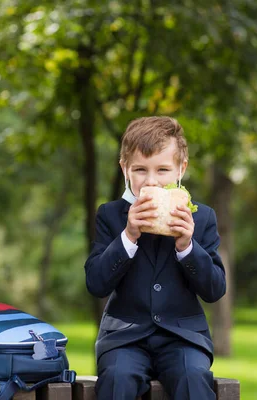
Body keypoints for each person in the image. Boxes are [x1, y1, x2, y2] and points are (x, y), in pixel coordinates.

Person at [84, 116, 226, 399]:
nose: (151, 181)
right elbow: (96, 283)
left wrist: (187, 245)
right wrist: (128, 235)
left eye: (163, 169)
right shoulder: (111, 215)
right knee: (117, 379)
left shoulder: (202, 217)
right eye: (140, 170)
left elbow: (214, 289)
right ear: (125, 169)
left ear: (180, 169)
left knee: (193, 378)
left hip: (183, 337)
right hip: (124, 338)